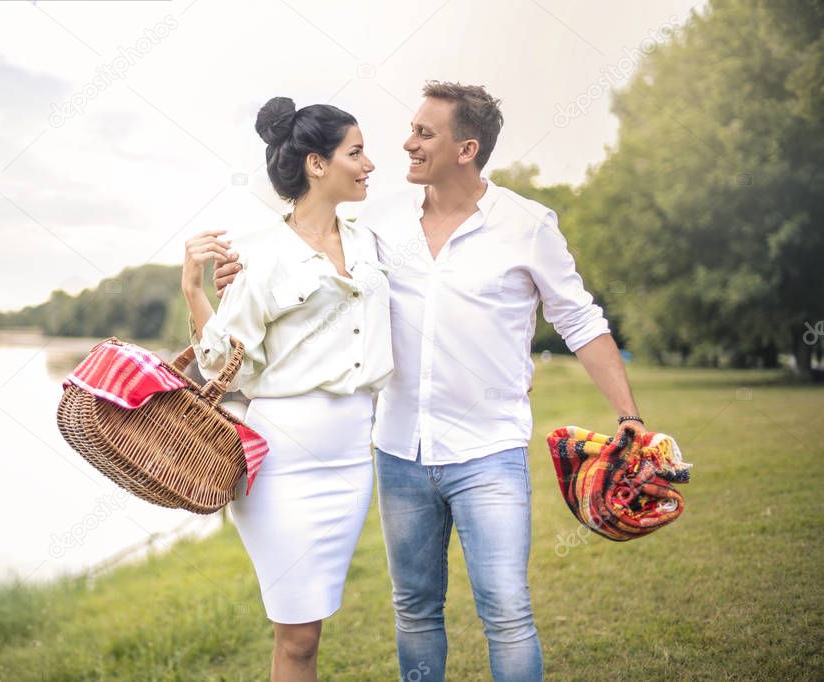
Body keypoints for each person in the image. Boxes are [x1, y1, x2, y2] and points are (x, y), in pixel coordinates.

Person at [214, 81, 649, 682]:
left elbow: (579, 319)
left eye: (424, 133)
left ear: (466, 148)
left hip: (489, 450)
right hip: (398, 450)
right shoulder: (379, 224)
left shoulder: (528, 225)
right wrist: (237, 271)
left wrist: (628, 416)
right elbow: (310, 250)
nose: (407, 143)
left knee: (507, 611)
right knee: (416, 612)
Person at [180, 96, 391, 682]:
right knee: (295, 637)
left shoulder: (371, 243)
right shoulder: (260, 254)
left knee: (313, 629)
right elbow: (227, 363)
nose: (370, 163)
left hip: (352, 460)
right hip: (282, 469)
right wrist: (195, 290)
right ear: (317, 165)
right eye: (356, 152)